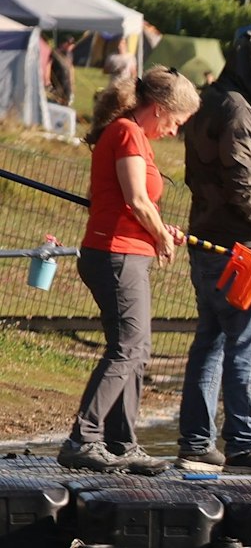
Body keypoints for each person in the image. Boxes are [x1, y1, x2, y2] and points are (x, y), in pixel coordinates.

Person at [59, 67, 200, 474]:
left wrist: (157, 228)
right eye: (175, 122)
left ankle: (122, 443)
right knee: (129, 347)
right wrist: (157, 233)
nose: (174, 131)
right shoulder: (127, 133)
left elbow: (135, 203)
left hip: (125, 251)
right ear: (158, 109)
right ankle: (83, 439)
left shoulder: (134, 136)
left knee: (137, 351)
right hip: (115, 254)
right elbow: (138, 199)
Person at [175, 28, 251, 476]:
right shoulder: (236, 111)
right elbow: (243, 183)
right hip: (244, 250)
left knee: (211, 341)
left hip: (208, 242)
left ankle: (196, 443)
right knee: (248, 347)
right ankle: (245, 445)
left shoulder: (213, 101)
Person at [47, 35, 74, 107]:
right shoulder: (55, 53)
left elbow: (71, 68)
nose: (69, 46)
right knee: (55, 102)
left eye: (71, 45)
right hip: (57, 83)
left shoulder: (69, 54)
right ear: (63, 44)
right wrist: (47, 81)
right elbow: (48, 66)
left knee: (66, 102)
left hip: (66, 84)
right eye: (68, 44)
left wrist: (72, 84)